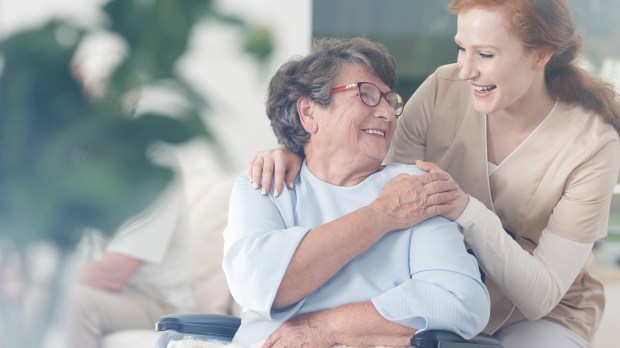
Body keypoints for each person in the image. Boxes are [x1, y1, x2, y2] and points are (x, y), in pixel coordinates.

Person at [247, 1, 620, 348]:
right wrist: (300, 149)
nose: (466, 69)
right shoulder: (444, 89)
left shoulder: (593, 144)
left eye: (486, 54)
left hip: (541, 312)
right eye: (462, 47)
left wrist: (465, 210)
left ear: (540, 55)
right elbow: (376, 180)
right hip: (440, 290)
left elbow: (541, 295)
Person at [223, 37, 490, 348]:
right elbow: (259, 283)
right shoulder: (267, 183)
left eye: (391, 101)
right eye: (367, 95)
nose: (388, 115)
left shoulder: (413, 189)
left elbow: (461, 301)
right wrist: (382, 215)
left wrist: (325, 328)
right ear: (309, 112)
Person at [66, 172, 195, 348]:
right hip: (109, 295)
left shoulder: (154, 172)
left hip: (159, 302)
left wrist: (41, 282)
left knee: (75, 302)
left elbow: (111, 275)